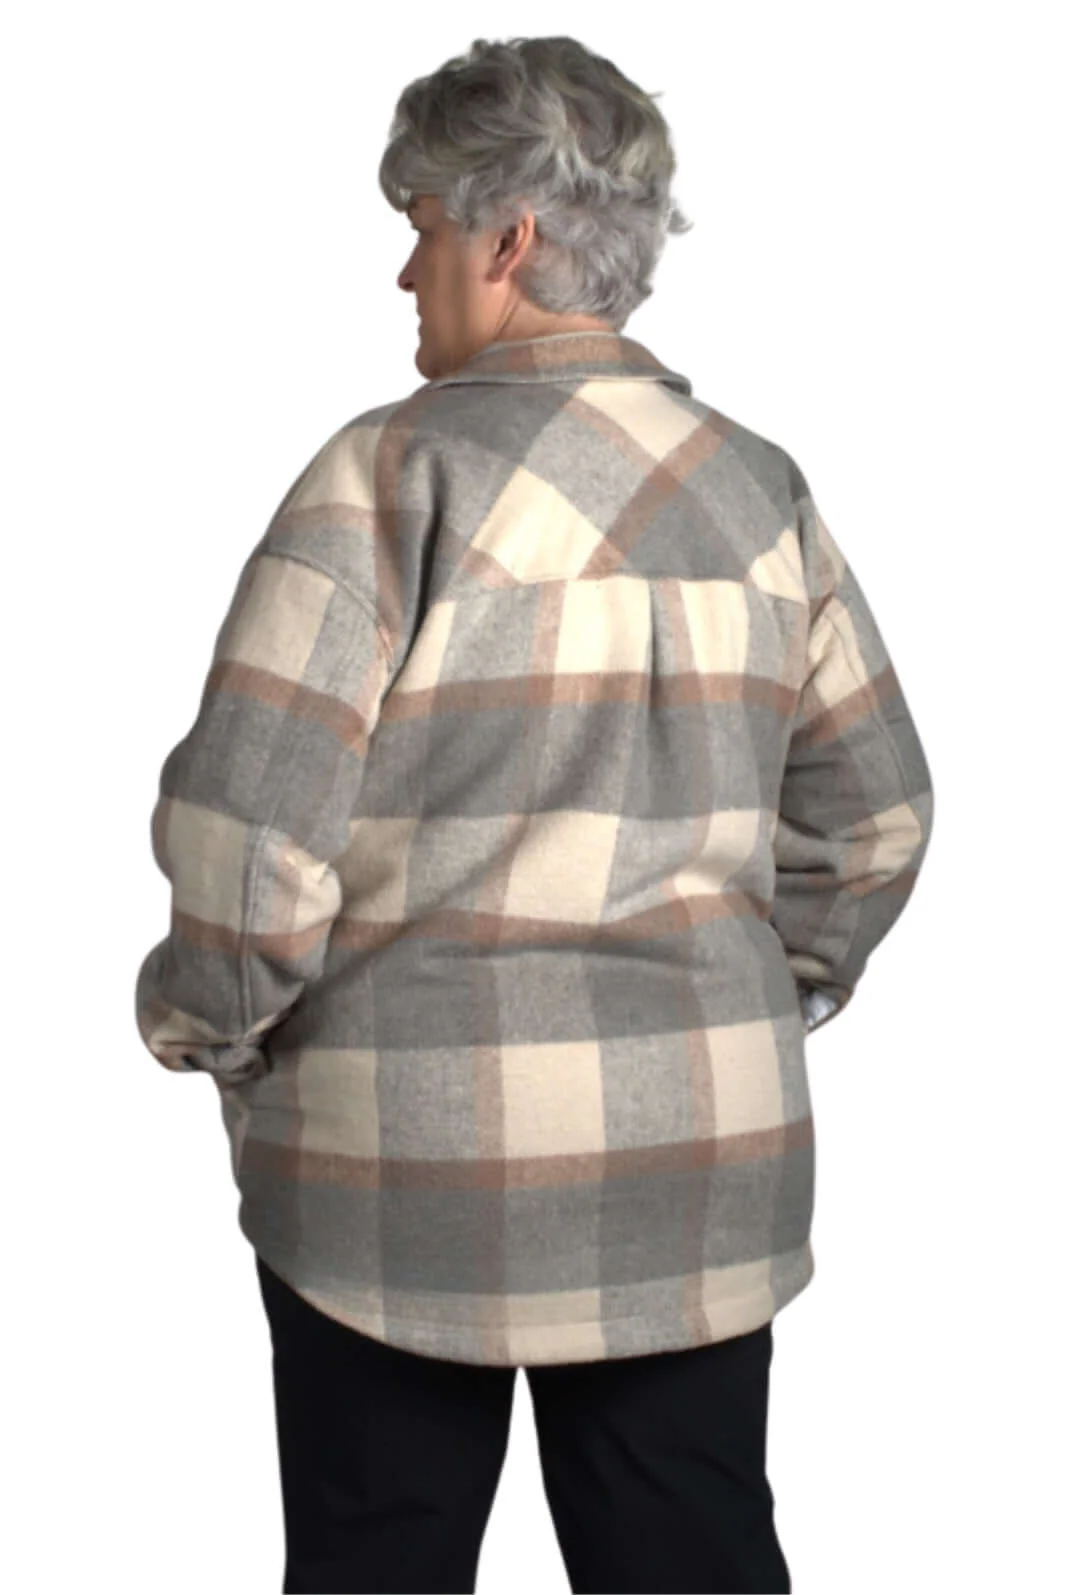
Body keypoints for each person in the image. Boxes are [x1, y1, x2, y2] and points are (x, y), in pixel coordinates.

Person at [134, 33, 934, 1595]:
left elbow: (248, 831)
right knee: (691, 1558)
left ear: (506, 240)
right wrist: (753, 997)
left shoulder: (382, 478)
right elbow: (879, 812)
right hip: (697, 1158)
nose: (403, 267)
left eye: (421, 221)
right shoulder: (760, 491)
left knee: (378, 1562)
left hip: (397, 1162)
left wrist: (211, 1026)